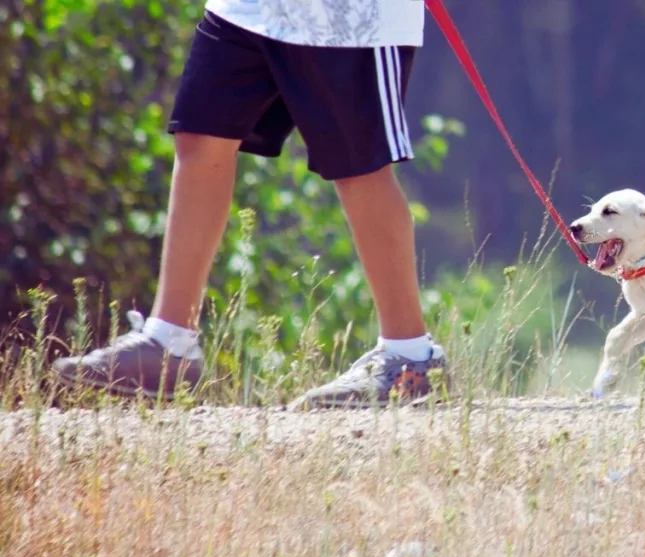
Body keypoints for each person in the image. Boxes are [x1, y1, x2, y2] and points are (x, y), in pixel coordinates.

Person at [51, 0, 450, 409]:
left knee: (359, 166)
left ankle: (409, 357)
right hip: (247, 8)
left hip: (350, 16)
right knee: (200, 134)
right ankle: (169, 343)